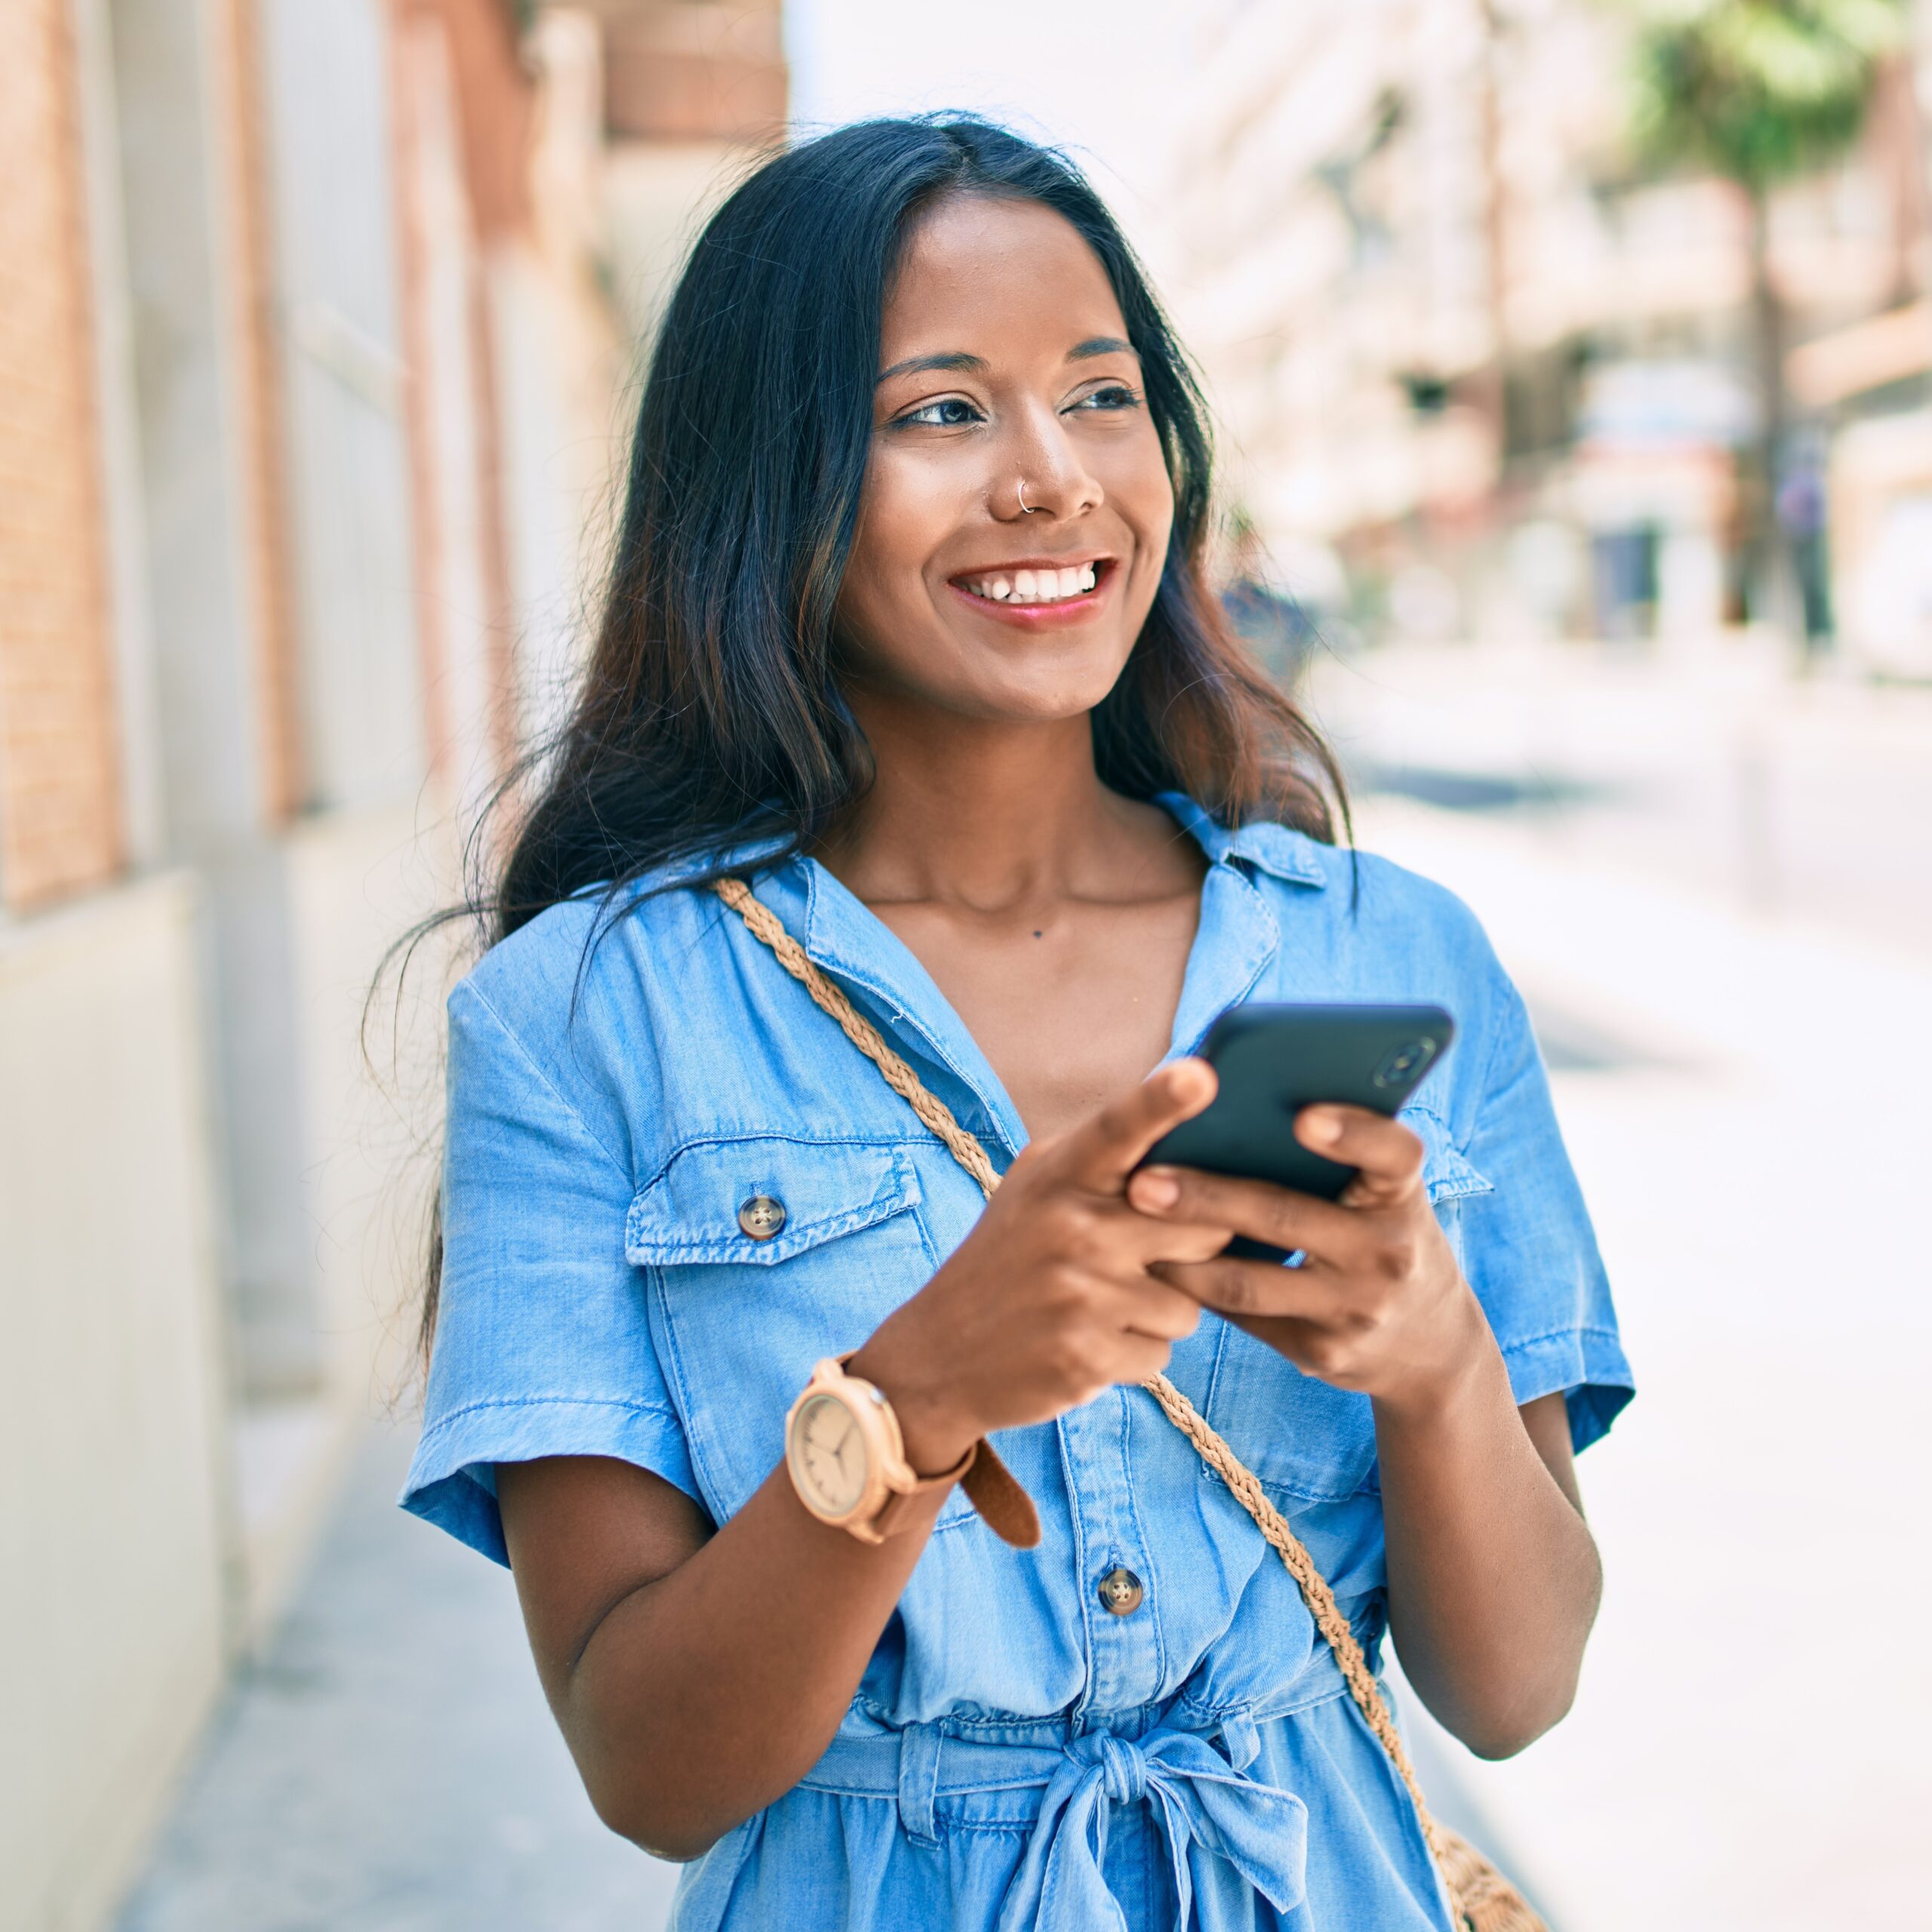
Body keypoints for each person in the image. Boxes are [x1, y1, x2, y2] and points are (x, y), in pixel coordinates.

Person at [402, 118, 1632, 1932]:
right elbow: (648, 1767)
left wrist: (1434, 1347)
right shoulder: (586, 1014)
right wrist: (919, 1393)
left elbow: (1513, 1688)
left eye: (1101, 394)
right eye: (940, 412)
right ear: (775, 481)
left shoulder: (1393, 955)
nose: (1053, 478)